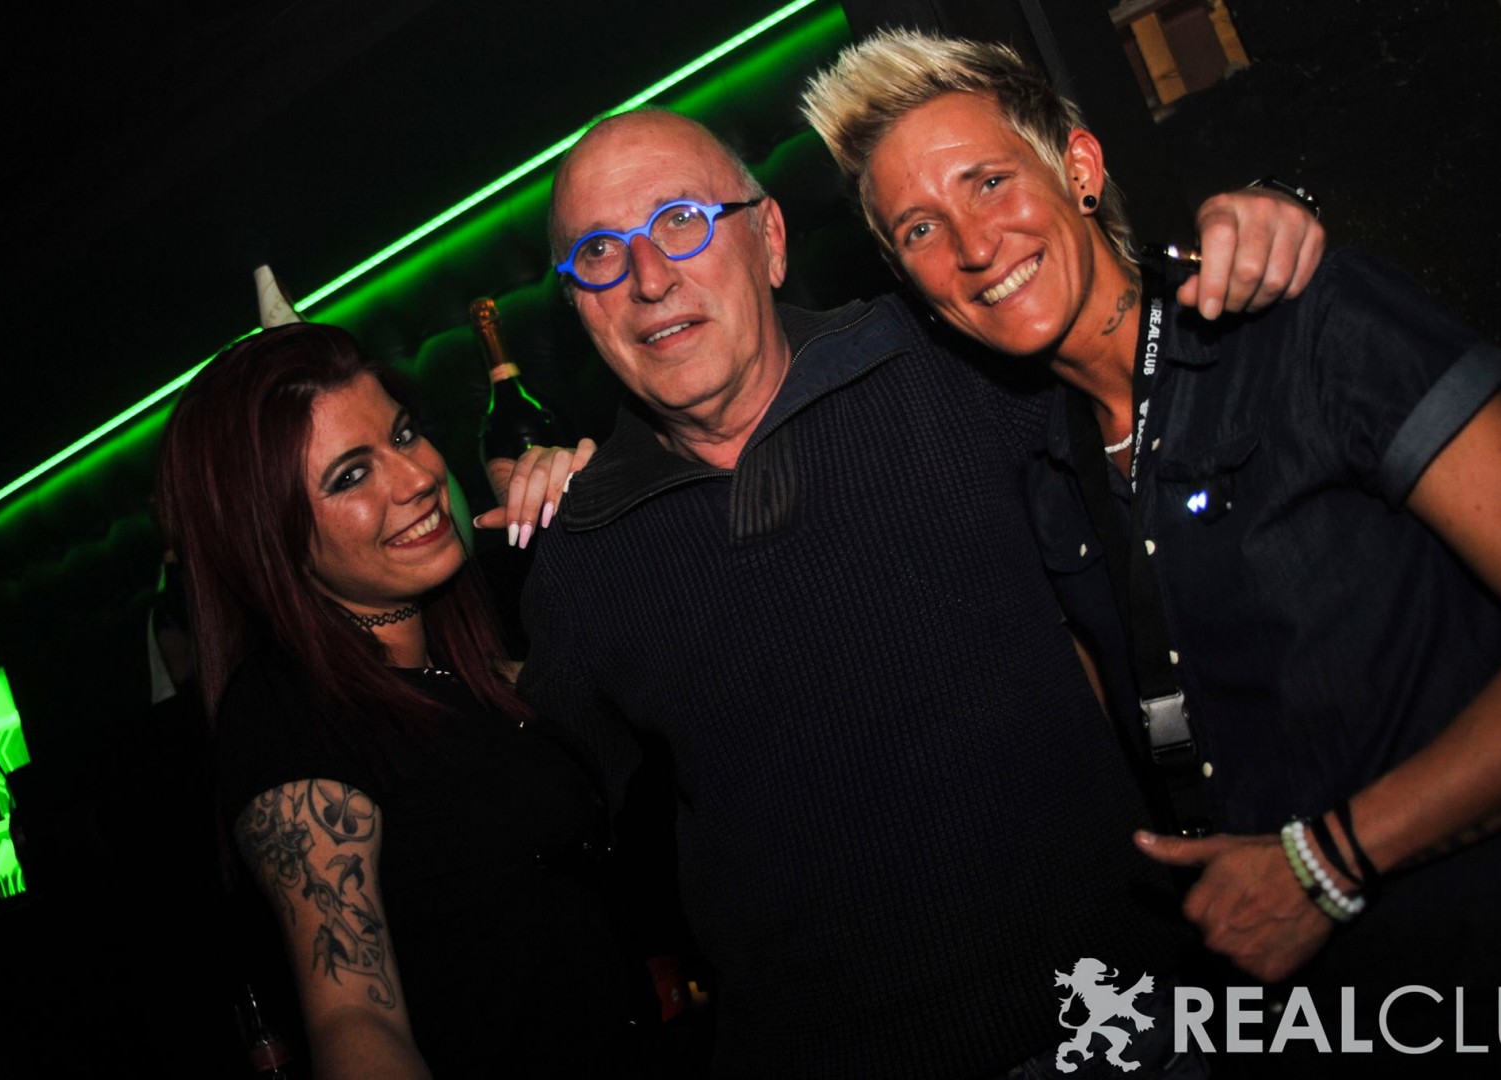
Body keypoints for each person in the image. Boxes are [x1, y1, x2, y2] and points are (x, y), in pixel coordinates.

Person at [802, 27, 1501, 1070]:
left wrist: (1324, 862)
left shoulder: (1304, 326)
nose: (972, 243)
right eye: (920, 227)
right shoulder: (1049, 480)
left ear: (1078, 168)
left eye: (990, 181)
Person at [512, 103, 1324, 1078]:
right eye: (599, 252)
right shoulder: (581, 553)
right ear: (579, 306)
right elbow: (534, 839)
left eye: (681, 219)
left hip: (1120, 1023)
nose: (647, 278)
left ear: (770, 240)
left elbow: (1161, 371)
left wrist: (1261, 222)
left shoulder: (941, 361)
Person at [153, 322, 663, 1078]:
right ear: (271, 540)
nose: (417, 476)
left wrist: (603, 526)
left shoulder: (474, 655)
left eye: (403, 435)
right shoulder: (290, 713)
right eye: (350, 476)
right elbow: (353, 1015)